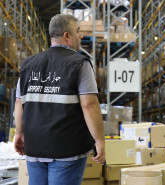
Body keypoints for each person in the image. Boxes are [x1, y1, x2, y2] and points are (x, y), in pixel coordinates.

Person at [14, 14, 105, 185]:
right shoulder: (79, 64)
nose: (81, 35)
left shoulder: (28, 65)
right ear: (67, 36)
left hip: (34, 149)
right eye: (78, 31)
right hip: (66, 151)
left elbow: (20, 103)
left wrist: (19, 133)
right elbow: (90, 106)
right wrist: (99, 140)